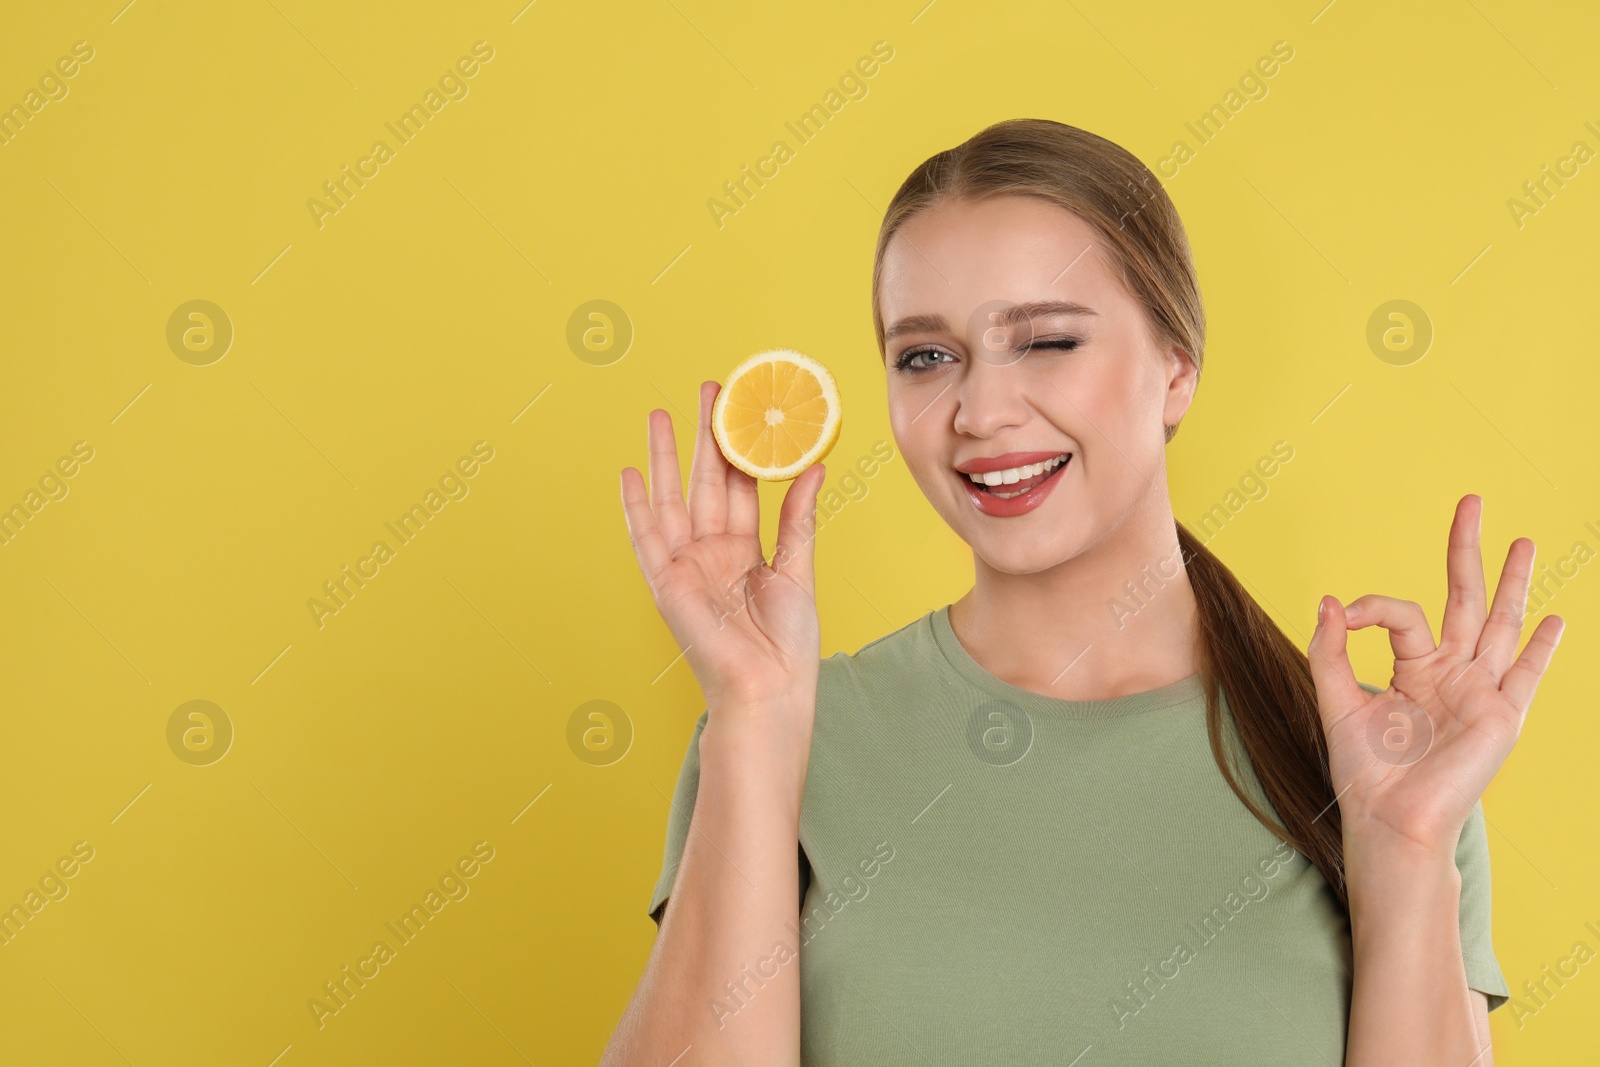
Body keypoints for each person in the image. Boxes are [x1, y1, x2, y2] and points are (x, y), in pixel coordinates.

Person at [603, 118, 1564, 1066]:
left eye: (1049, 341)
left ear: (1176, 369)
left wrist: (1403, 848)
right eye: (926, 357)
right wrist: (755, 720)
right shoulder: (798, 729)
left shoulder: (1376, 761)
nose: (979, 412)